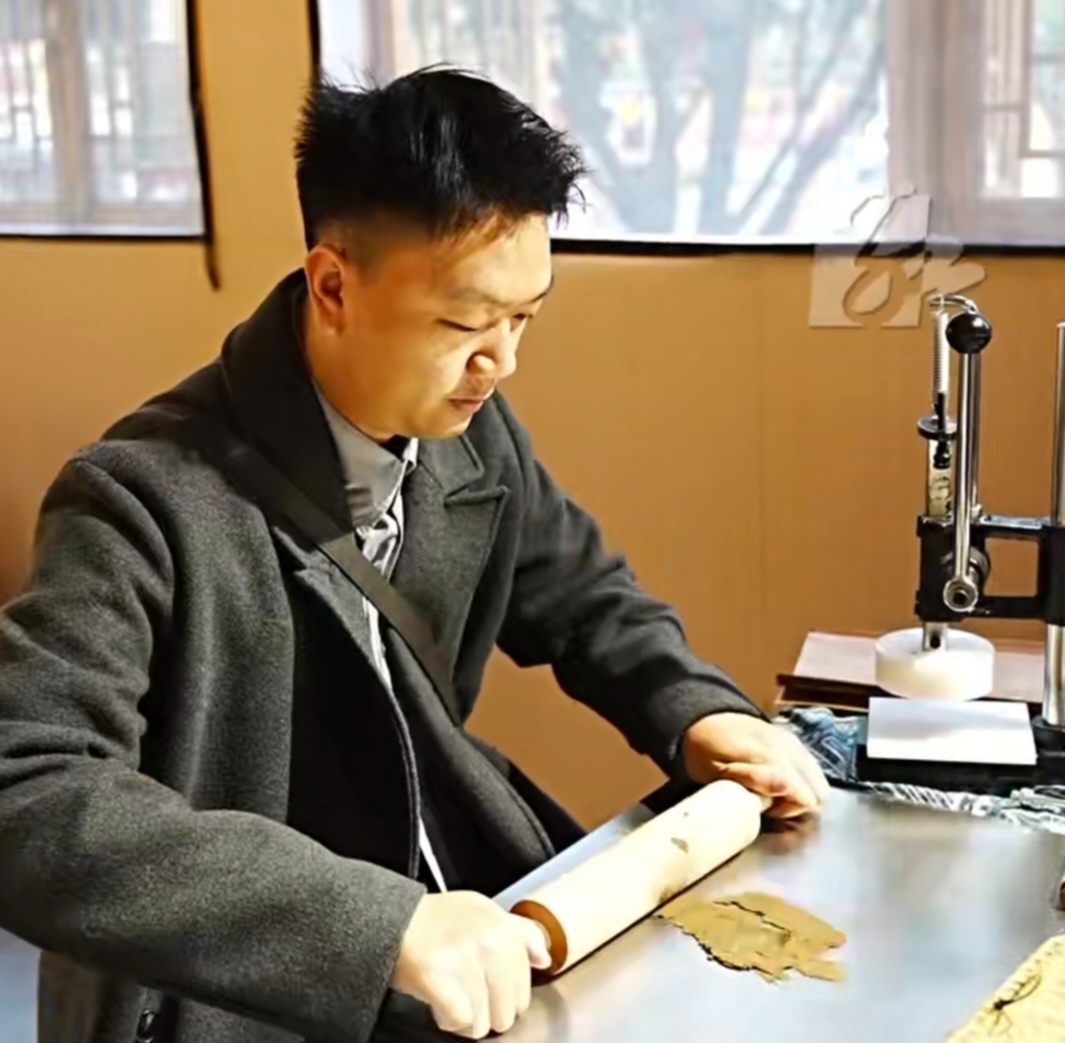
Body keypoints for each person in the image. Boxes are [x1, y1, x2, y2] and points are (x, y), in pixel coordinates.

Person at [0, 67, 828, 1043]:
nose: (502, 362)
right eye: (467, 323)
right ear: (333, 285)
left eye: (525, 317)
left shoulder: (470, 431)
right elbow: (28, 788)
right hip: (233, 985)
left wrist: (694, 710)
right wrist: (377, 924)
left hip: (451, 927)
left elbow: (584, 595)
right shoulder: (138, 497)